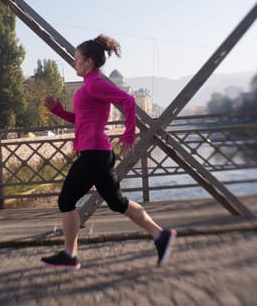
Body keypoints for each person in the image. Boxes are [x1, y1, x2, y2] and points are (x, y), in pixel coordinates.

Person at [41, 34, 176, 269]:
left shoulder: (95, 83)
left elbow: (129, 101)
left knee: (66, 200)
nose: (74, 62)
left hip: (95, 153)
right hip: (97, 152)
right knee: (117, 202)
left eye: (77, 58)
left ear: (88, 62)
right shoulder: (89, 85)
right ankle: (160, 235)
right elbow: (81, 120)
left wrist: (128, 135)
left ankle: (70, 255)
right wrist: (58, 111)